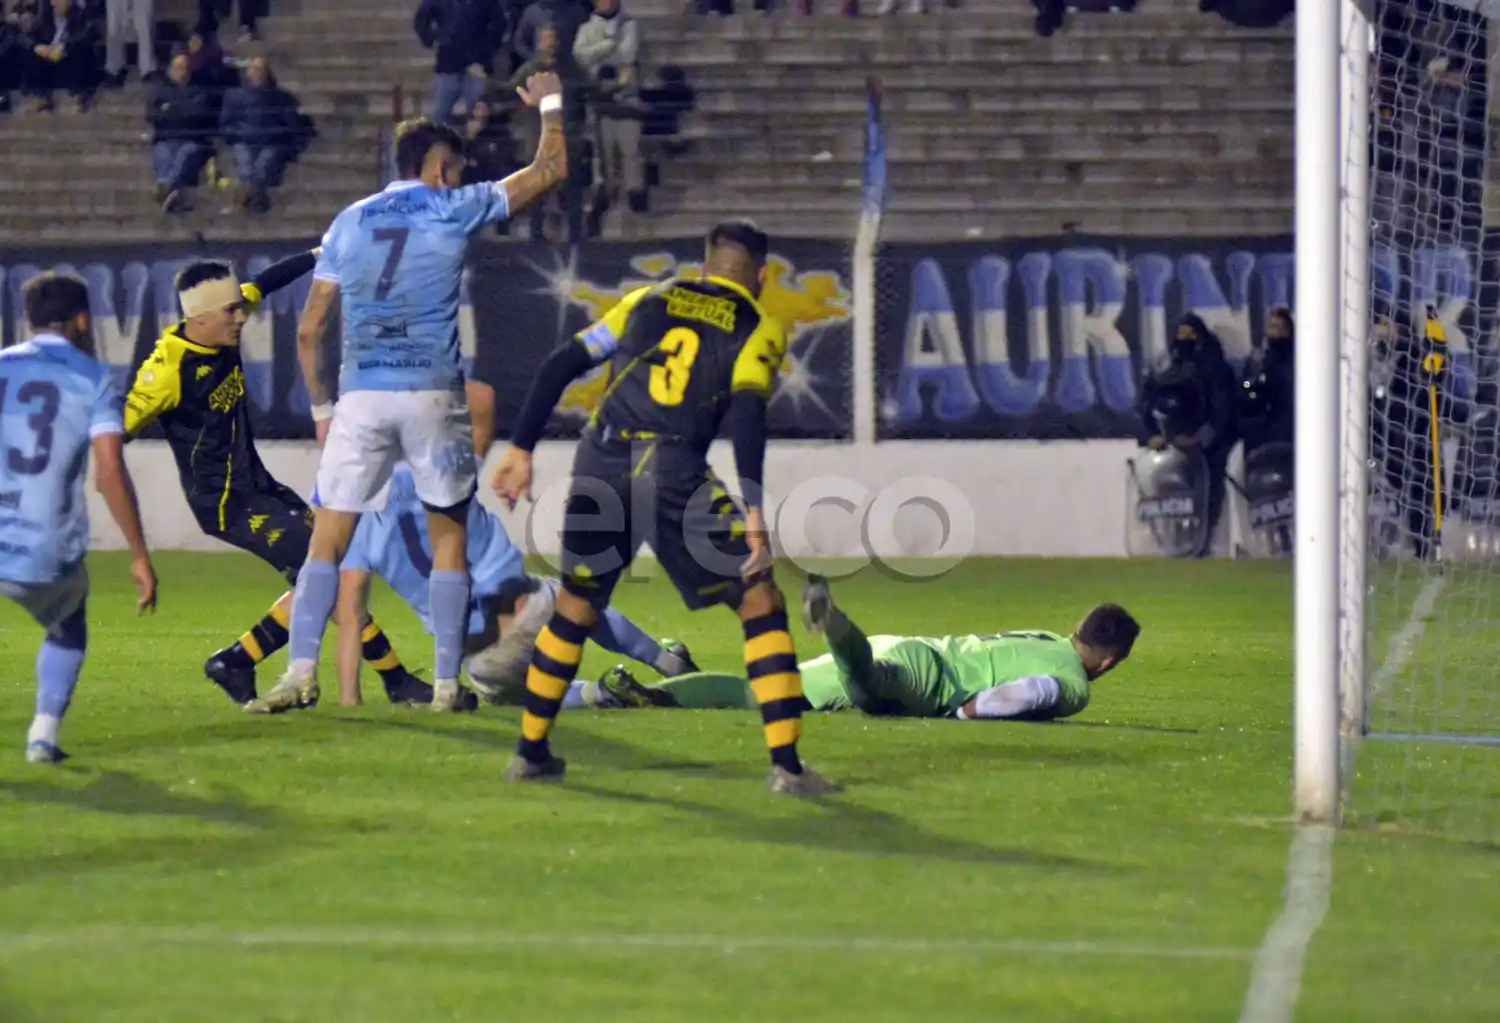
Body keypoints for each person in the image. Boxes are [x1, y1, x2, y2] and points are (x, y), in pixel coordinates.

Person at [490, 219, 839, 796]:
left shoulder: (642, 301)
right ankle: (789, 768)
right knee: (760, 600)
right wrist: (753, 507)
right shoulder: (758, 325)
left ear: (705, 266)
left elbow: (561, 362)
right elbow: (748, 410)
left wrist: (521, 448)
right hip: (672, 469)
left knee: (575, 605)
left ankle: (530, 753)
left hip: (599, 461)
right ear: (758, 275)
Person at [260, 72, 568, 715]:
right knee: (449, 534)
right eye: (452, 169)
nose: (454, 179)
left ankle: (298, 673)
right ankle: (449, 686)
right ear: (438, 166)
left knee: (328, 540)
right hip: (430, 390)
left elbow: (311, 328)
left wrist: (323, 411)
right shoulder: (451, 205)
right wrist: (553, 103)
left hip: (361, 397)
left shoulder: (348, 222)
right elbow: (550, 169)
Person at [124, 257, 433, 709]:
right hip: (226, 503)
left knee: (328, 570)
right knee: (328, 572)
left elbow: (263, 283)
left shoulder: (222, 321)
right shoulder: (166, 371)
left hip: (260, 486)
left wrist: (323, 254)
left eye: (238, 307)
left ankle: (236, 660)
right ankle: (397, 680)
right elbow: (114, 430)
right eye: (230, 311)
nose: (240, 316)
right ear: (199, 317)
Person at [320, 466, 699, 709]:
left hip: (484, 656)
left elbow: (351, 615)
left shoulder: (353, 534)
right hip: (524, 605)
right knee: (580, 603)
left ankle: (601, 693)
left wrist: (349, 700)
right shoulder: (426, 477)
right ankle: (667, 660)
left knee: (508, 691)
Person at [591, 577, 1141, 723]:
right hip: (926, 682)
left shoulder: (1048, 638)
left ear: (1078, 628)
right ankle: (832, 622)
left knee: (760, 694)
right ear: (1111, 662)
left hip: (912, 646)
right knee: (868, 682)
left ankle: (659, 689)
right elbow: (1030, 692)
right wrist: (965, 711)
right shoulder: (1072, 683)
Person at [1, 273, 158, 764]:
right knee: (68, 624)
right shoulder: (92, 376)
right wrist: (138, 554)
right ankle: (43, 736)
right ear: (83, 320)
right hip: (42, 546)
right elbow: (108, 472)